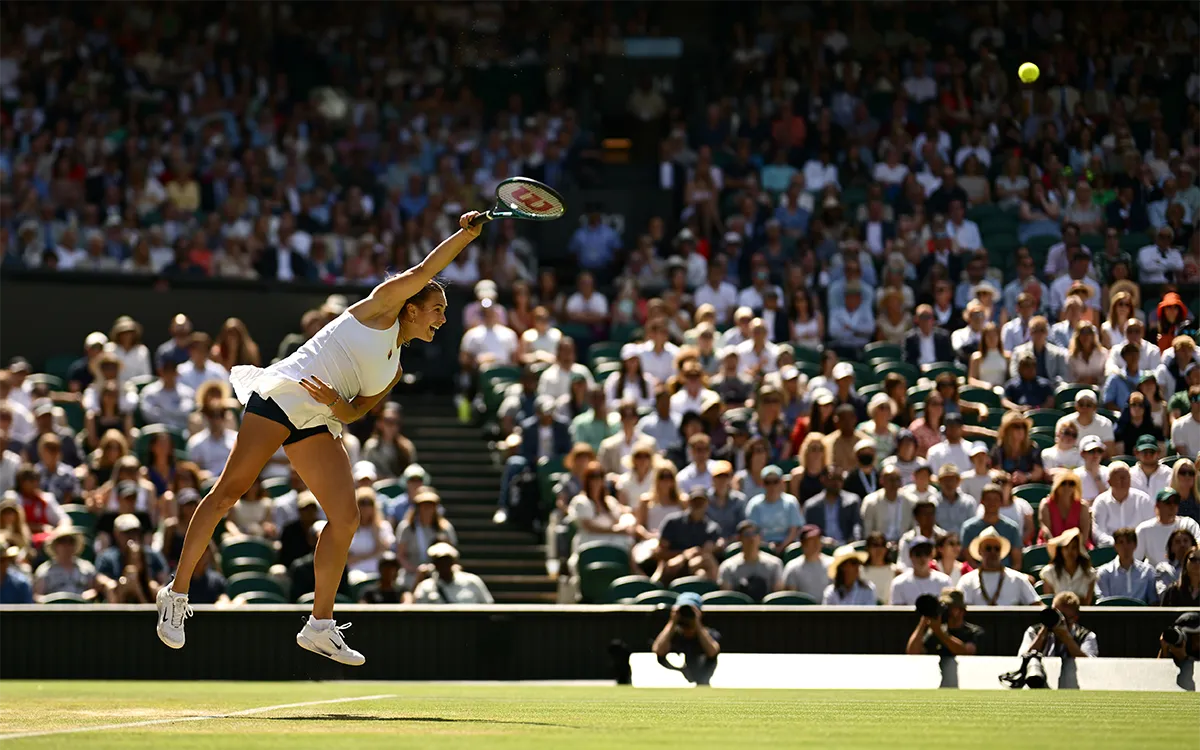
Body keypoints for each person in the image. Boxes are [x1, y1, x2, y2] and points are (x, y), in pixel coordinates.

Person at [155, 211, 486, 664]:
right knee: (229, 491)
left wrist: (333, 401)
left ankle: (319, 625)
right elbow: (425, 269)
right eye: (438, 310)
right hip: (284, 395)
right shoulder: (379, 307)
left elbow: (355, 412)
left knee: (346, 518)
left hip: (318, 417)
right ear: (410, 307)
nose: (443, 320)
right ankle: (176, 593)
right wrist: (465, 235)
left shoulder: (394, 370)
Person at [651, 592, 721, 686]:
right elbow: (658, 651)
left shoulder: (709, 634)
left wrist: (697, 622)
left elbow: (712, 652)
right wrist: (672, 621)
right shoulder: (672, 634)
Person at [956, 527, 1039, 606]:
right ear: (980, 551)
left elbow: (1037, 606)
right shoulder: (967, 580)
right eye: (988, 548)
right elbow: (958, 609)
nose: (993, 552)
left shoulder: (1018, 579)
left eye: (997, 548)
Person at [1091, 462, 1155, 546]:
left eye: (1125, 477)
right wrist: (1117, 543)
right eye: (1118, 477)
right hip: (1110, 548)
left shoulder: (1143, 500)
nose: (1123, 480)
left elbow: (1151, 527)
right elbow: (1098, 532)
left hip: (1140, 546)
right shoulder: (1101, 501)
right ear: (1109, 481)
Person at [961, 484, 1023, 569]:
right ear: (982, 501)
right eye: (988, 499)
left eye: (996, 499)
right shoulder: (969, 528)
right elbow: (968, 560)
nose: (992, 503)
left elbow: (1017, 562)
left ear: (1001, 502)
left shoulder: (1012, 528)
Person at [1019, 591, 1098, 658]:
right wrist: (1042, 634)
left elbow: (1089, 664)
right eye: (1055, 613)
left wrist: (1067, 638)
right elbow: (1022, 658)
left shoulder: (1086, 636)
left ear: (1075, 618)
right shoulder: (1034, 631)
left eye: (1064, 616)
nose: (1059, 618)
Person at [717, 521, 783, 600]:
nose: (751, 538)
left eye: (755, 533)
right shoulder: (727, 566)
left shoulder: (775, 564)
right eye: (747, 534)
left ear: (760, 537)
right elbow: (727, 599)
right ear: (739, 538)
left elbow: (777, 598)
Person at [905, 588, 982, 656]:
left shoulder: (974, 632)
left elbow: (966, 652)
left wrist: (940, 633)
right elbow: (912, 652)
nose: (946, 610)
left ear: (961, 610)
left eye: (950, 606)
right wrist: (924, 620)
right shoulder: (933, 632)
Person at [745, 465, 803, 554]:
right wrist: (767, 547)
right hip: (761, 548)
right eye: (767, 482)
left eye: (775, 481)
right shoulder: (755, 504)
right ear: (762, 484)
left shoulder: (791, 502)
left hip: (787, 547)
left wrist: (781, 547)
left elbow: (794, 530)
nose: (772, 486)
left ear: (782, 482)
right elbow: (753, 531)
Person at [412, 543, 494, 604]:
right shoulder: (425, 587)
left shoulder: (473, 581)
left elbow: (488, 604)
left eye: (447, 561)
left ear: (453, 562)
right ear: (434, 564)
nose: (444, 565)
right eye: (440, 562)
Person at [1136, 489, 1200, 566]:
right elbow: (1135, 559)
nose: (1172, 506)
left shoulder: (1188, 524)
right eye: (1168, 503)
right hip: (1155, 572)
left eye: (1175, 502)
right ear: (1157, 506)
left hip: (1184, 570)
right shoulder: (1144, 529)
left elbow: (1198, 547)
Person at [1094, 527, 1158, 604]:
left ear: (1135, 545)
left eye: (1129, 542)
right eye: (1121, 542)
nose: (1125, 546)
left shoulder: (1148, 571)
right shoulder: (1104, 572)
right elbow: (1103, 602)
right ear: (1115, 546)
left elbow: (1153, 602)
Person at [802, 466, 863, 545]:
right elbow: (807, 531)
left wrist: (854, 541)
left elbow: (857, 526)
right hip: (821, 547)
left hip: (846, 546)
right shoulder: (811, 505)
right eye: (833, 478)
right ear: (823, 479)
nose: (836, 483)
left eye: (840, 479)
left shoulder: (852, 501)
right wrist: (822, 540)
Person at [890, 536, 953, 606]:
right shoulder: (899, 584)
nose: (922, 558)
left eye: (926, 553)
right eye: (918, 553)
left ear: (931, 555)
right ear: (910, 555)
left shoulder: (944, 582)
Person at [1040, 528, 1097, 604]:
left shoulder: (1090, 574)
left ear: (1079, 550)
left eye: (1074, 547)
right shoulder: (1049, 572)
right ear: (1061, 550)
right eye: (1066, 547)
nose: (1070, 552)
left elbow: (1087, 603)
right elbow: (1050, 602)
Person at [860, 466, 915, 542]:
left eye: (897, 479)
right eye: (891, 479)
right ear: (881, 481)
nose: (894, 483)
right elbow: (867, 532)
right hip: (879, 545)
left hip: (904, 544)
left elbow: (914, 528)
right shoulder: (870, 502)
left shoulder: (910, 501)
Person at [780, 525, 833, 600]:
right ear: (803, 543)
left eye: (818, 539)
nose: (816, 543)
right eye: (811, 540)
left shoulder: (832, 564)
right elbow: (792, 598)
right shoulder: (792, 567)